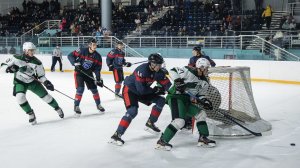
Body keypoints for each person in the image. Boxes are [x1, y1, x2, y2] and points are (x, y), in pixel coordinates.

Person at [109, 53, 172, 146]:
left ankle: (150, 123)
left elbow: (167, 85)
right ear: (152, 64)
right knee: (132, 111)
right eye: (158, 65)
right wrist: (156, 90)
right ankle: (117, 135)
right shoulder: (142, 71)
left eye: (160, 64)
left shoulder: (158, 72)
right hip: (130, 90)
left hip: (143, 90)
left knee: (161, 101)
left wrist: (173, 90)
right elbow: (141, 91)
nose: (160, 66)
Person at [156, 58, 216, 151]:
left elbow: (200, 96)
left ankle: (203, 138)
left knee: (201, 114)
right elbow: (173, 70)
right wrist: (178, 81)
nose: (208, 70)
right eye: (207, 68)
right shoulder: (188, 70)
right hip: (175, 97)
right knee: (179, 121)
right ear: (201, 68)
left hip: (186, 100)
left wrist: (205, 101)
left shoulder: (205, 82)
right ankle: (162, 141)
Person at [4, 42, 64, 125]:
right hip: (20, 82)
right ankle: (30, 114)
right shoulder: (15, 58)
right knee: (20, 97)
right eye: (30, 50)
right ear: (25, 50)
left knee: (46, 97)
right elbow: (3, 66)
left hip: (33, 82)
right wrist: (9, 69)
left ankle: (57, 108)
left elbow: (41, 76)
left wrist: (46, 82)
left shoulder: (37, 62)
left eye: (33, 50)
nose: (32, 52)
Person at [67, 38, 105, 116]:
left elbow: (97, 69)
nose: (95, 46)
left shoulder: (98, 56)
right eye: (93, 45)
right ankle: (76, 106)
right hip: (79, 73)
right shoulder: (82, 50)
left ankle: (98, 105)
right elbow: (70, 55)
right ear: (89, 45)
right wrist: (75, 64)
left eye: (96, 45)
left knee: (94, 90)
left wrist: (98, 79)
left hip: (89, 74)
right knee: (80, 89)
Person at [185, 46, 216, 130]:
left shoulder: (199, 58)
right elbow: (190, 68)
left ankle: (198, 116)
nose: (192, 52)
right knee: (194, 99)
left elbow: (213, 64)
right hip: (199, 80)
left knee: (201, 96)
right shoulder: (202, 57)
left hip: (202, 80)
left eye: (194, 51)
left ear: (198, 51)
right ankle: (189, 120)